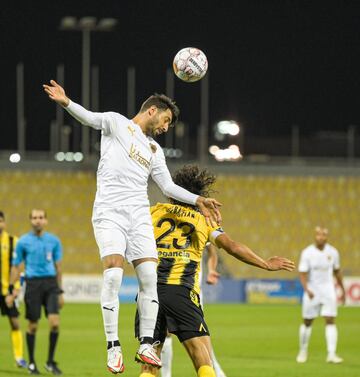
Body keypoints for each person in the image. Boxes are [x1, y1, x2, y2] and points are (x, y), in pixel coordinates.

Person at [43, 80, 221, 374]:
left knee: (149, 275)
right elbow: (88, 117)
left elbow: (166, 186)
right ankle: (113, 347)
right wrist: (65, 101)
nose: (166, 128)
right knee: (113, 274)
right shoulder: (116, 123)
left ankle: (146, 344)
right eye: (165, 120)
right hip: (110, 211)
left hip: (138, 214)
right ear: (152, 111)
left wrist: (198, 199)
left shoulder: (154, 149)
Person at [137, 164, 295, 377]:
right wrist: (265, 264)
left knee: (150, 361)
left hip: (149, 292)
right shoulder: (204, 220)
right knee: (200, 354)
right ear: (200, 195)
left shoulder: (153, 212)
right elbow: (232, 247)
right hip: (180, 291)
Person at [6, 209, 64, 375]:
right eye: (34, 218)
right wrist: (11, 289)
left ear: (45, 220)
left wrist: (60, 291)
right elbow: (16, 267)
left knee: (54, 323)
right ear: (30, 220)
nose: (37, 220)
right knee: (33, 326)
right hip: (33, 284)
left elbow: (59, 267)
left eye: (40, 217)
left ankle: (50, 362)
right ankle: (31, 362)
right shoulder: (23, 242)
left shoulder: (54, 241)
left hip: (51, 283)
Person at [160, 244, 226, 377]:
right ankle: (166, 375)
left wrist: (211, 269)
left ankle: (216, 370)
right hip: (169, 287)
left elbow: (212, 251)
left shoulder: (199, 225)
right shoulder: (166, 228)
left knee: (201, 339)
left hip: (192, 292)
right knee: (165, 332)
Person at [296, 226, 345, 364]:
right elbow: (303, 273)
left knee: (330, 320)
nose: (321, 237)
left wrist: (343, 290)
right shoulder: (307, 252)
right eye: (318, 235)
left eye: (323, 235)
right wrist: (307, 289)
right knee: (307, 322)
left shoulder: (333, 252)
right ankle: (303, 350)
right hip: (312, 291)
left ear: (327, 236)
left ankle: (331, 354)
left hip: (328, 290)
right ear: (315, 236)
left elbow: (337, 271)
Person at [0, 211, 27, 368]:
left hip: (8, 292)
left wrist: (16, 289)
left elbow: (19, 267)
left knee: (15, 324)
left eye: (1, 221)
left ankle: (19, 357)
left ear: (5, 223)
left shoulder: (13, 241)